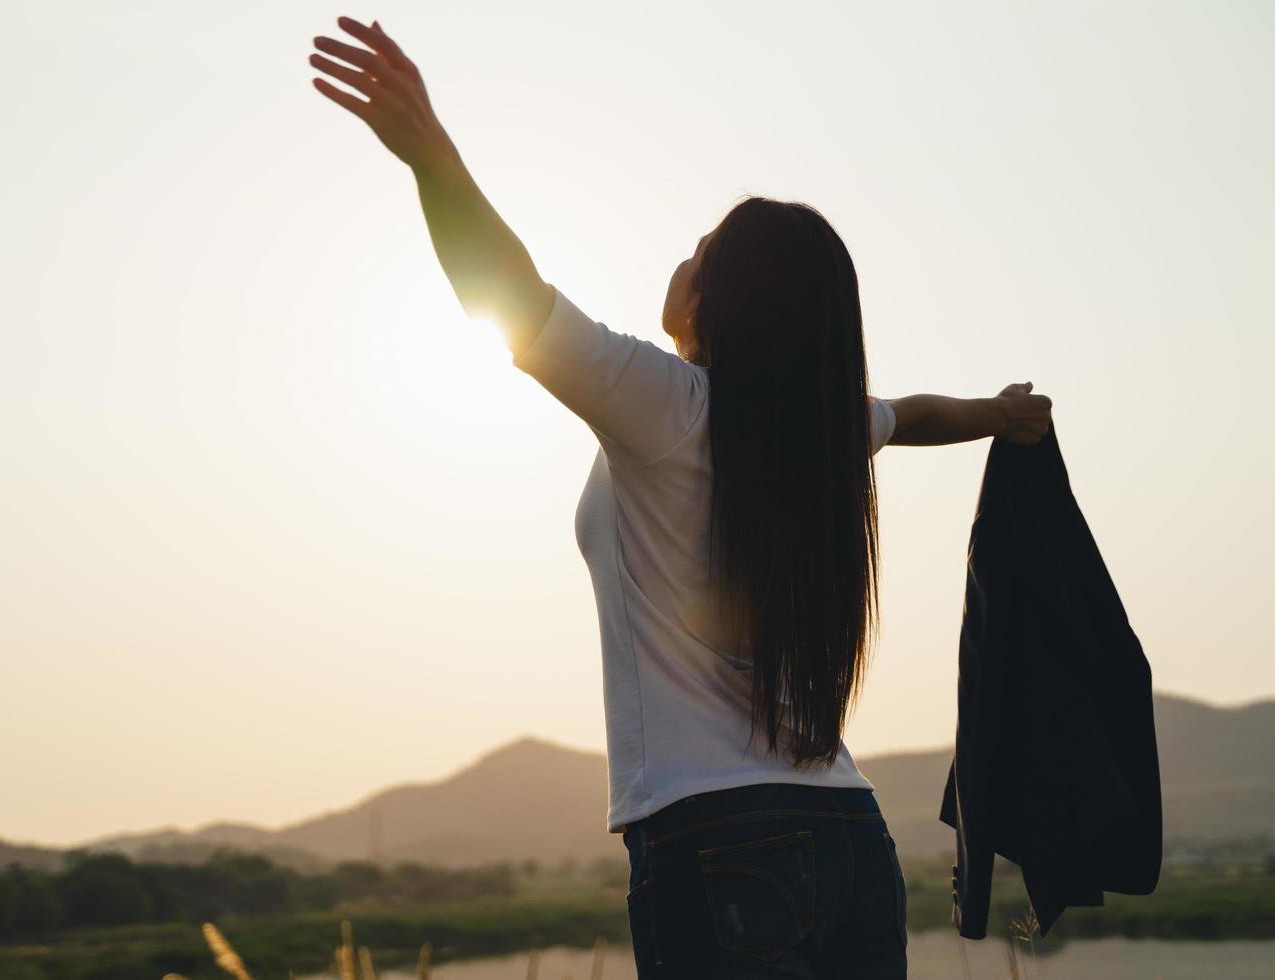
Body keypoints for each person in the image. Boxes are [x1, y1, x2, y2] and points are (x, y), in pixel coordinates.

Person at [309, 18, 1053, 978]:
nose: (681, 258)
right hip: (848, 833)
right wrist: (993, 413)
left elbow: (506, 291)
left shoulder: (666, 405)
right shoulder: (811, 433)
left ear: (711, 303)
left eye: (697, 251)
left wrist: (428, 154)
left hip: (717, 842)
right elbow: (907, 416)